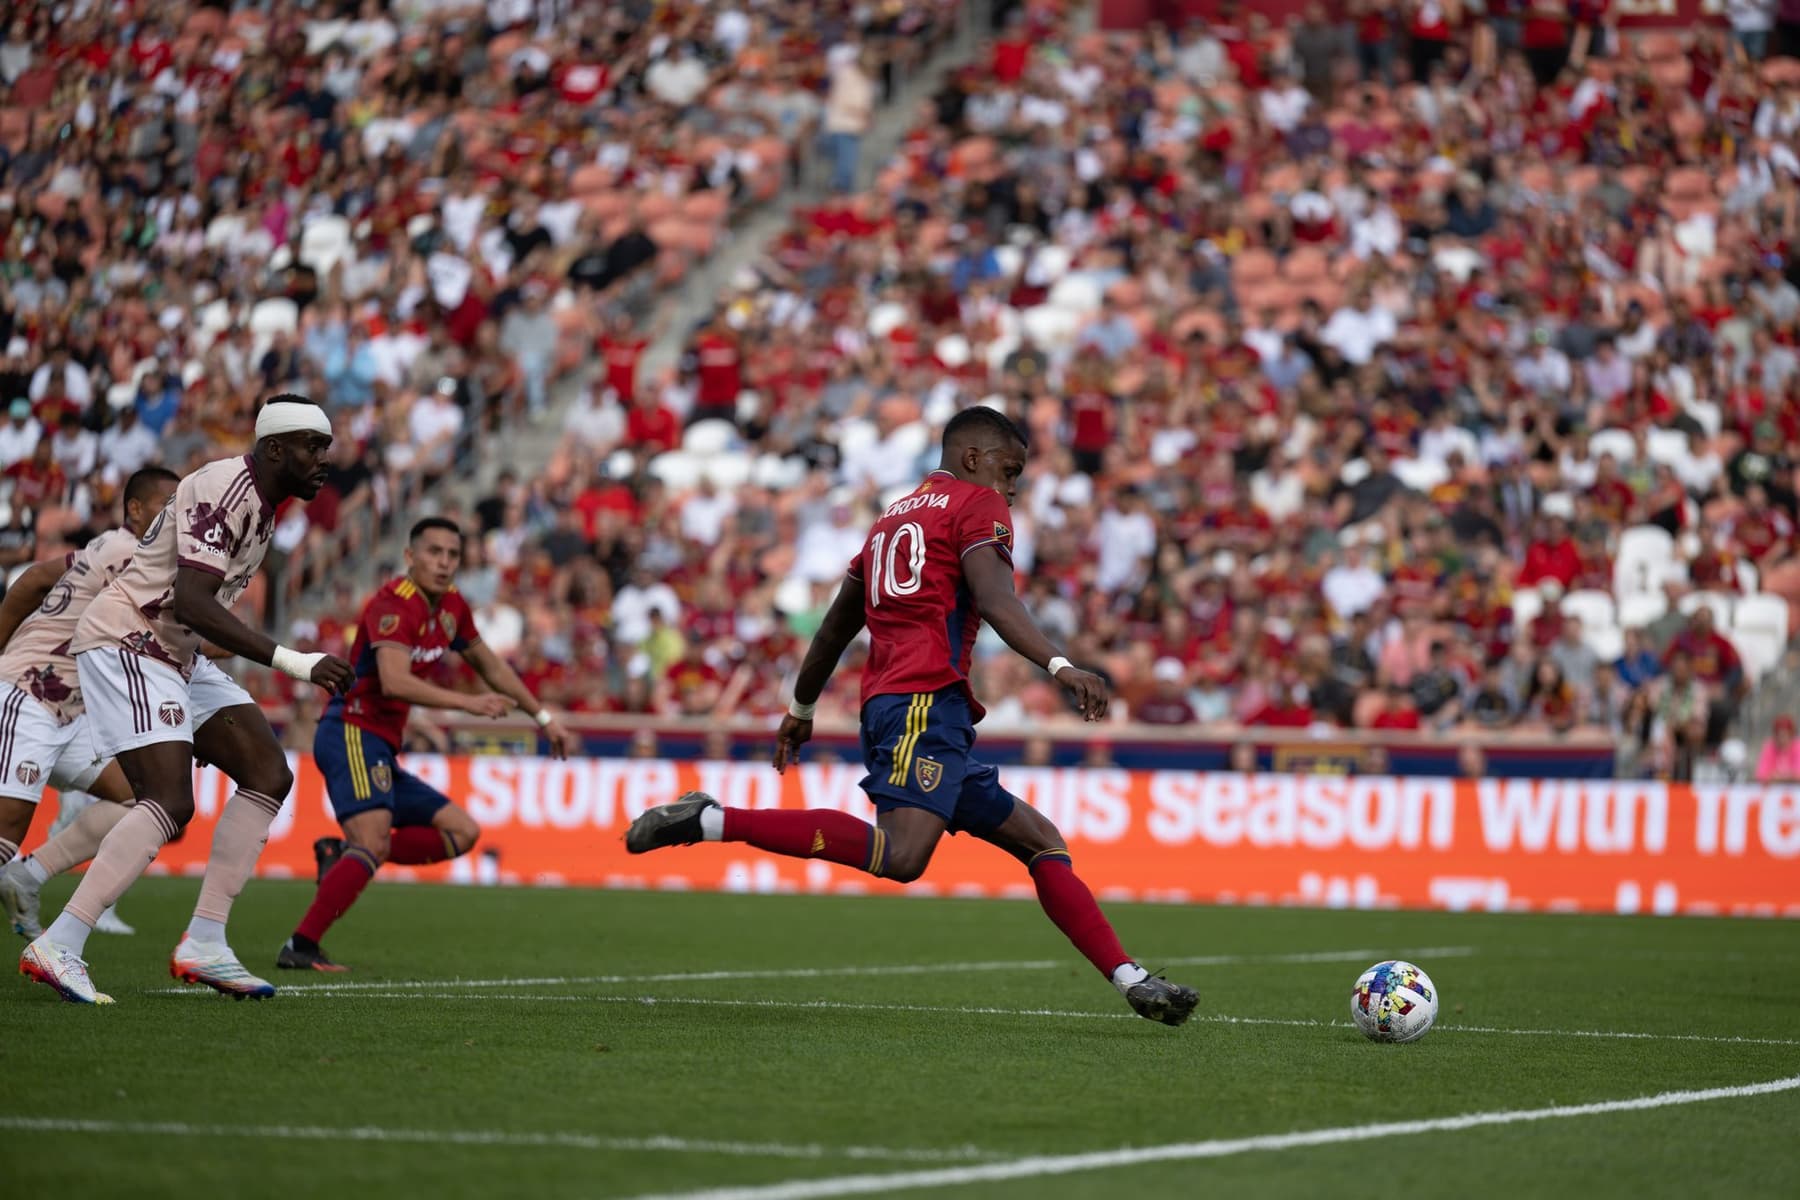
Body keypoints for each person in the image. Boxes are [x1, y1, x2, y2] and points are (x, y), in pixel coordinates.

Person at [625, 407, 1200, 1026]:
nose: (1012, 488)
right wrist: (1062, 665)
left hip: (907, 707)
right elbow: (996, 598)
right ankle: (711, 820)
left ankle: (1131, 978)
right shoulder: (976, 505)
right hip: (924, 703)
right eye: (1009, 471)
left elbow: (835, 628)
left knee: (1042, 842)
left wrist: (801, 707)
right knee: (902, 857)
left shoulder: (888, 521)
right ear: (973, 458)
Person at [19, 396, 355, 1005]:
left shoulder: (262, 506)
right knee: (170, 801)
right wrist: (294, 661)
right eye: (312, 445)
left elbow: (198, 614)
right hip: (129, 640)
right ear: (274, 448)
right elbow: (194, 602)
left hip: (171, 649)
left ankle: (205, 940)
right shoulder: (225, 487)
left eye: (326, 446)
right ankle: (60, 941)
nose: (324, 460)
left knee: (267, 772)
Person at [277, 517, 575, 971]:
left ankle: (343, 858)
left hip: (380, 744)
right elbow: (394, 682)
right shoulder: (392, 605)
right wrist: (467, 705)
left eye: (452, 554)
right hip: (351, 731)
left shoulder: (454, 605)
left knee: (463, 833)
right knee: (373, 841)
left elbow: (491, 665)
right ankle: (300, 945)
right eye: (434, 552)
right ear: (410, 557)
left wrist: (542, 717)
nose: (444, 562)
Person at [0, 467, 180, 937]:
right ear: (135, 509)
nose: (177, 517)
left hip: (71, 715)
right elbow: (175, 637)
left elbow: (37, 578)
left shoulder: (109, 547)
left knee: (145, 800)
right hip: (31, 693)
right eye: (167, 505)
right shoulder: (132, 557)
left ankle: (28, 875)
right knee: (5, 833)